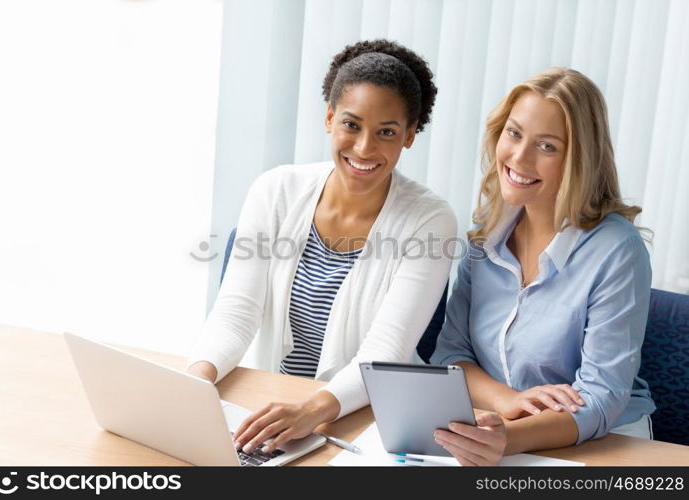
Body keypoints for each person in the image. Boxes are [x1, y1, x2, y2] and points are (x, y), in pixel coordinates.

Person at [186, 39, 456, 455]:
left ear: (410, 136)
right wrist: (194, 384)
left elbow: (385, 354)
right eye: (351, 124)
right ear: (329, 118)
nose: (364, 148)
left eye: (386, 132)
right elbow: (235, 314)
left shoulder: (431, 221)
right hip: (275, 409)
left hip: (368, 423)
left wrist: (311, 410)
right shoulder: (275, 190)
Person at [430, 67, 656, 466]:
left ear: (579, 160)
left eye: (547, 147)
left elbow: (602, 397)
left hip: (603, 442)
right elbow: (451, 357)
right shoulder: (487, 236)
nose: (519, 157)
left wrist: (510, 438)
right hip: (501, 429)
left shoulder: (617, 250)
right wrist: (510, 403)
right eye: (514, 134)